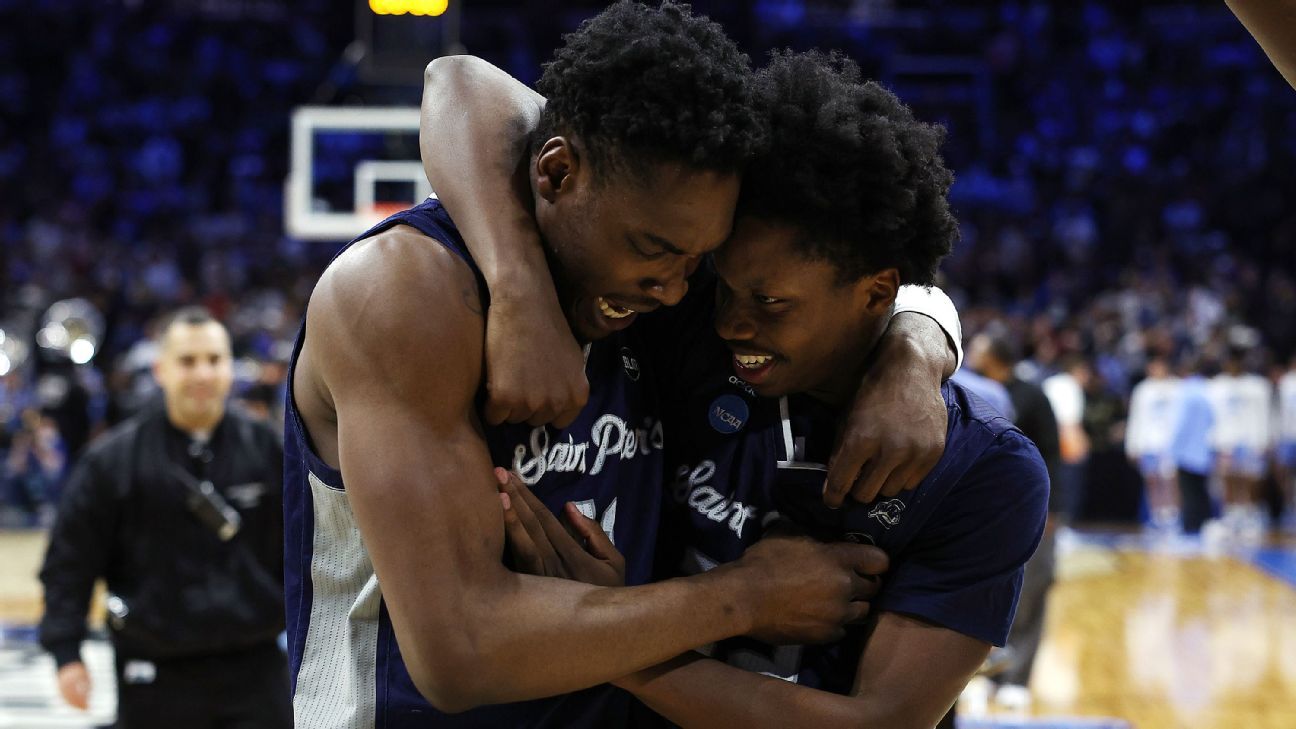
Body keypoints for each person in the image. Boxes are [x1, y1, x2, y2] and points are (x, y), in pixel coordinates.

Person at [288, 4, 954, 726]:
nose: (676, 288)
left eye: (699, 259)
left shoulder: (646, 276)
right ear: (556, 173)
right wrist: (745, 595)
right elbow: (460, 650)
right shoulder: (409, 293)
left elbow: (861, 258)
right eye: (654, 249)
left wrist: (912, 347)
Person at [447, 49, 1048, 728]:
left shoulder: (986, 471)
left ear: (878, 291)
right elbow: (460, 84)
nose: (731, 319)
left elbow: (880, 723)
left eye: (768, 300)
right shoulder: (684, 321)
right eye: (724, 284)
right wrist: (517, 287)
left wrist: (607, 641)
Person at [38, 307, 289, 729]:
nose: (203, 374)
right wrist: (67, 653)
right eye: (188, 361)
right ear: (161, 369)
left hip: (257, 669)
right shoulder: (112, 463)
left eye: (214, 360)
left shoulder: (269, 451)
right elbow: (70, 562)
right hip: (154, 673)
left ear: (231, 368)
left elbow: (309, 552)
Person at [966, 330, 1062, 709]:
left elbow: (1053, 456)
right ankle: (981, 673)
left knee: (1032, 592)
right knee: (985, 591)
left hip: (1030, 507)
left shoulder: (1033, 396)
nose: (970, 350)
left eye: (978, 346)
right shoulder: (966, 389)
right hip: (985, 509)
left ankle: (1018, 678)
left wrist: (1053, 510)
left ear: (998, 356)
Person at [1207, 347, 1273, 543]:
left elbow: (1264, 414)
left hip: (1249, 439)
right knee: (1228, 477)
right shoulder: (1216, 386)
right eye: (1229, 361)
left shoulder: (1256, 385)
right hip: (1226, 439)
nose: (1232, 366)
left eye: (1236, 361)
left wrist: (1263, 438)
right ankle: (1231, 516)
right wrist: (1214, 439)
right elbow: (1212, 416)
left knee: (1249, 477)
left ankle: (1249, 515)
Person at [1124, 357, 1183, 529]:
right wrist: (1132, 445)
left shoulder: (1177, 387)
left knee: (1171, 480)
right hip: (1148, 442)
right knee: (1152, 480)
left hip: (1170, 443)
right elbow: (1136, 418)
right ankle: (1157, 515)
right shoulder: (1142, 390)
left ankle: (1173, 515)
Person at [1168, 356, 1216, 534]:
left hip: (1185, 449)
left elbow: (1179, 422)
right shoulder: (1209, 389)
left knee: (1188, 490)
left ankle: (1189, 525)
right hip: (1205, 448)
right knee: (1201, 488)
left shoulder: (1185, 390)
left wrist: (1172, 446)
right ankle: (1203, 523)